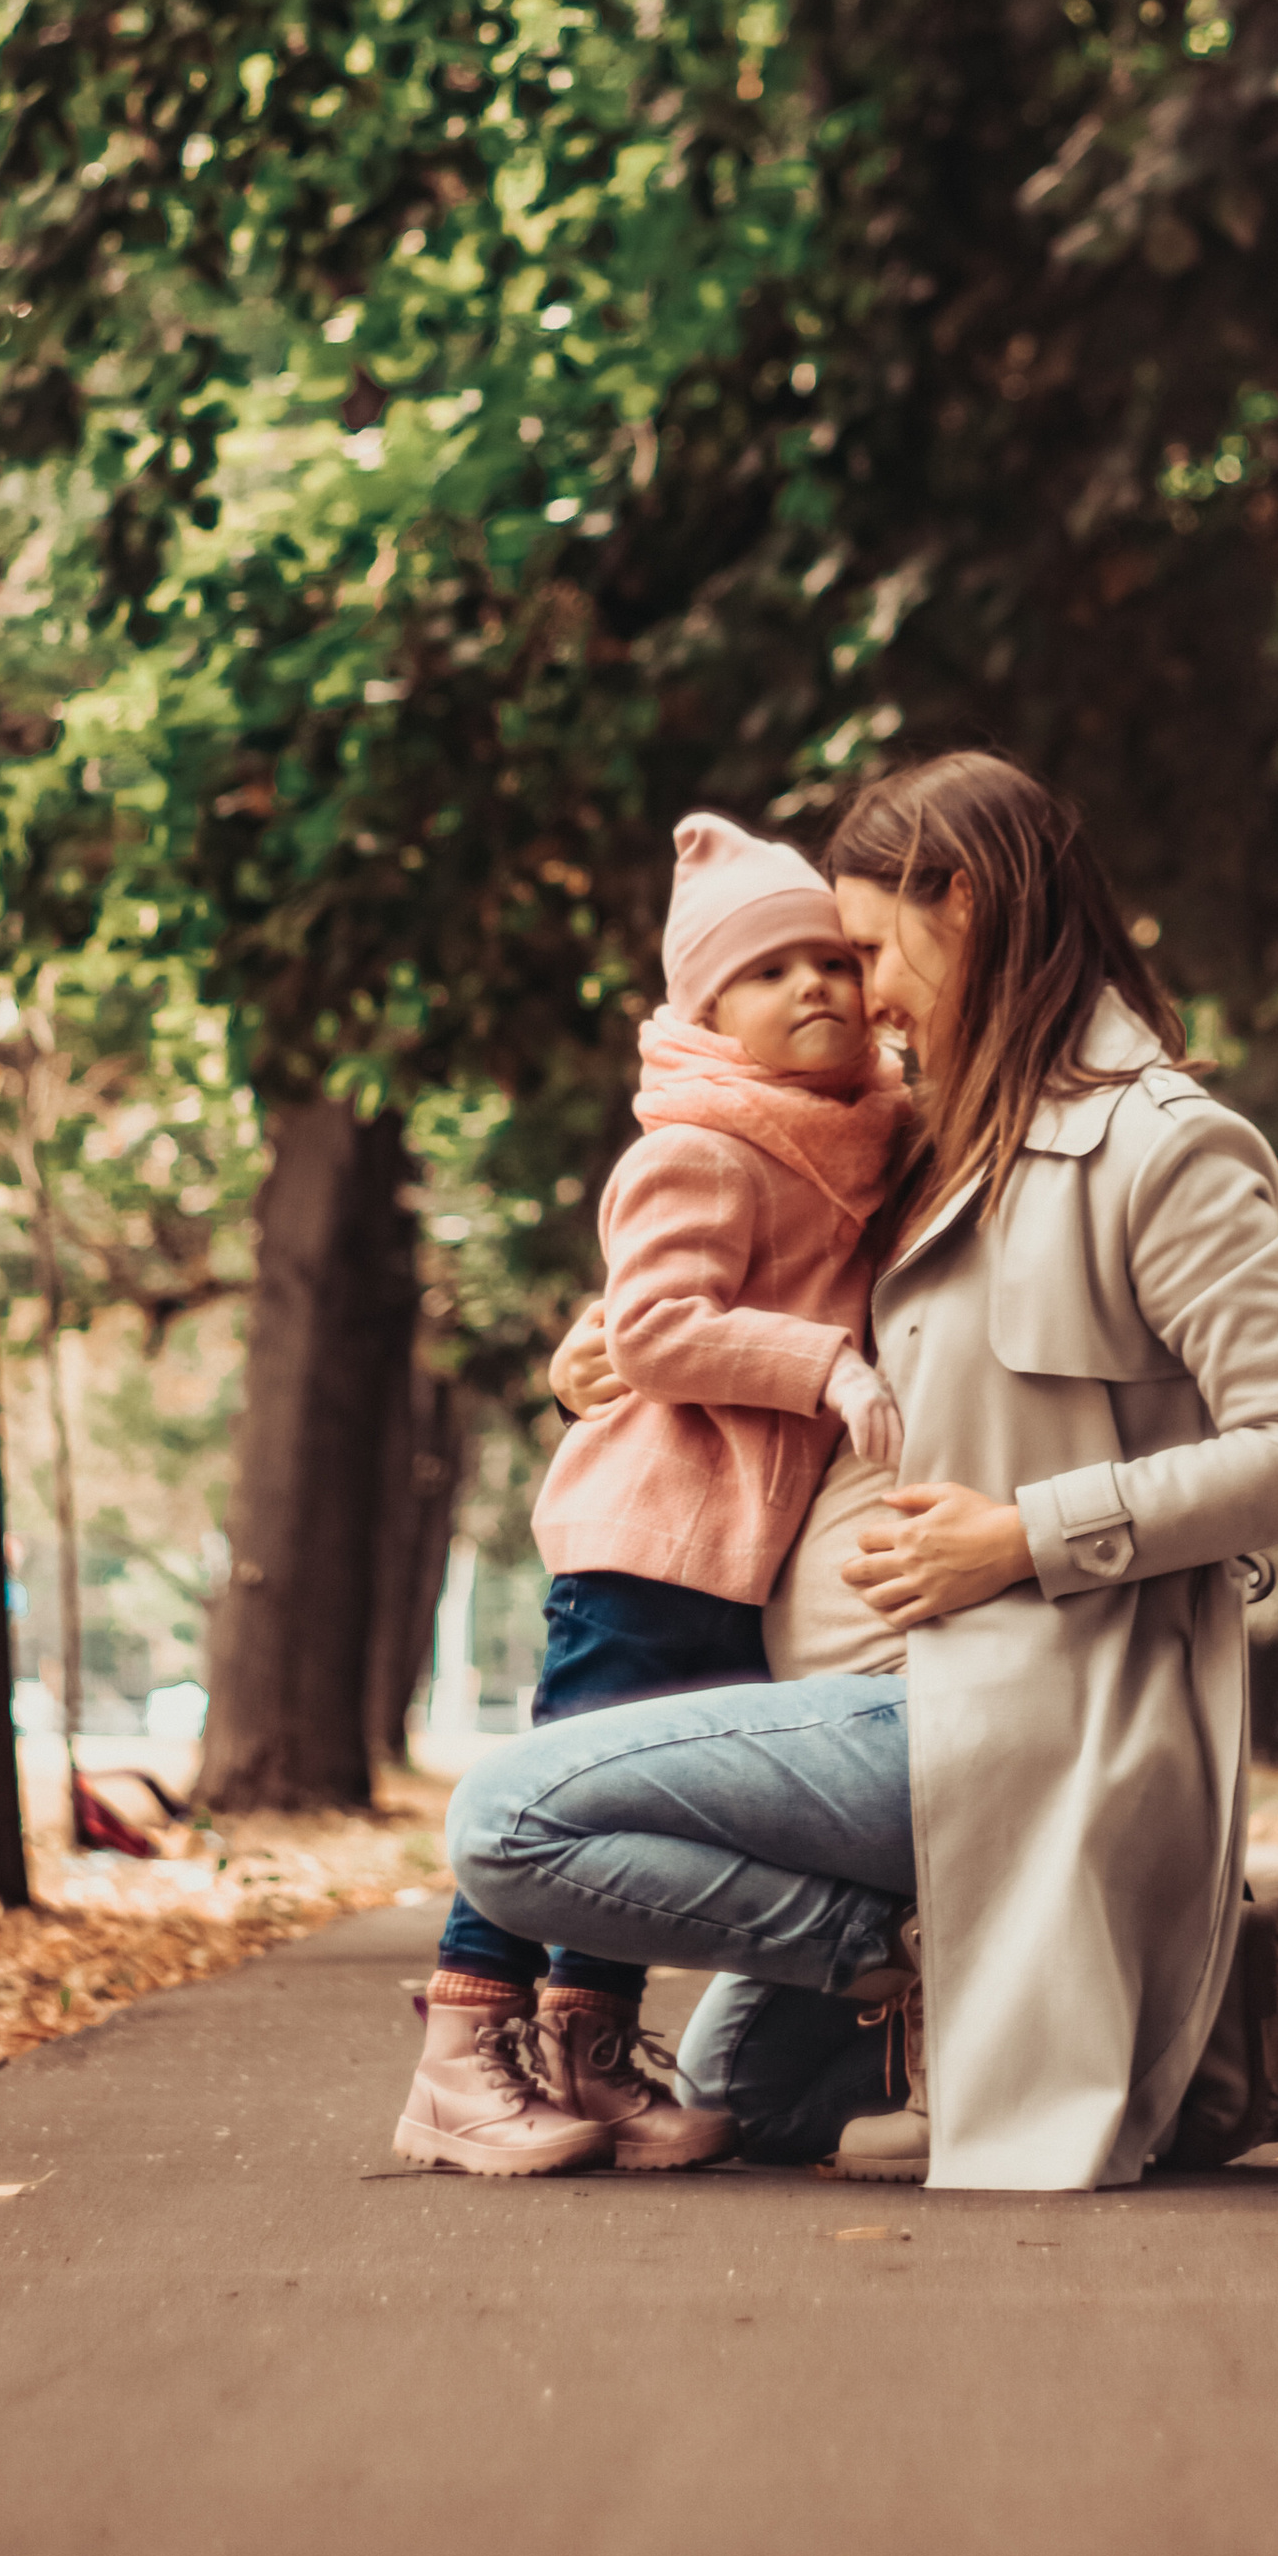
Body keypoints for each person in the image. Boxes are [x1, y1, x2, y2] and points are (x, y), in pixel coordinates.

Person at [451, 750, 1278, 2191]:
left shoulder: (1160, 1149)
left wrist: (1023, 1537)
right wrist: (608, 1336)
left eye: (872, 947)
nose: (859, 994)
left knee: (507, 1825)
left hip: (1008, 1707)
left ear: (969, 901)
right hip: (862, 1703)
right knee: (736, 2100)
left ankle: (990, 1945)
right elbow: (751, 1269)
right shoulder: (928, 1142)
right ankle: (930, 1955)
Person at [394, 811, 909, 2178]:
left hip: (738, 1553)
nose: (815, 987)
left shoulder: (857, 1132)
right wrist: (827, 1368)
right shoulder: (699, 1146)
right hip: (645, 1542)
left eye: (834, 959)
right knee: (559, 1807)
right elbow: (657, 1331)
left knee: (651, 1814)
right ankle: (459, 2060)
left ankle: (585, 2053)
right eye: (768, 971)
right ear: (706, 1010)